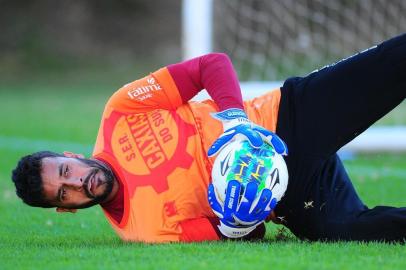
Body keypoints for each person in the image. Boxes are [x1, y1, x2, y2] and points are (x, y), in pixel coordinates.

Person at [12, 33, 406, 243]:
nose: (79, 181)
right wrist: (237, 224)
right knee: (350, 232)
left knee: (390, 67)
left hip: (282, 118)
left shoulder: (120, 112)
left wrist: (235, 125)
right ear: (65, 209)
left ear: (70, 155)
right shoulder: (144, 231)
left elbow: (211, 65)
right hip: (290, 195)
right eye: (64, 192)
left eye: (66, 170)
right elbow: (250, 234)